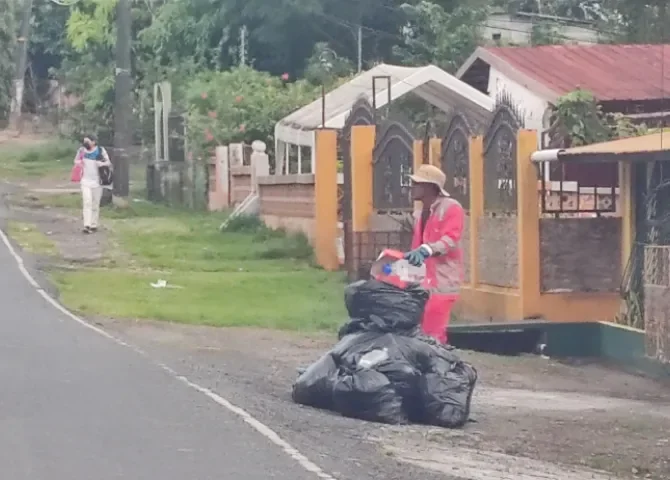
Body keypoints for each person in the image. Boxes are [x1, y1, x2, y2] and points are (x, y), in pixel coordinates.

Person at [403, 164, 464, 344]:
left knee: (433, 335)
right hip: (422, 281)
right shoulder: (421, 212)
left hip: (442, 281)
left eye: (417, 183)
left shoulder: (451, 208)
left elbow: (451, 238)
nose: (412, 187)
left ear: (430, 187)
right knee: (420, 333)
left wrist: (427, 249)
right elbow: (417, 245)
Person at [75, 134, 112, 234]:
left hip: (97, 181)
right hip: (85, 180)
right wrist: (79, 163)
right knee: (87, 201)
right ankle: (86, 224)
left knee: (95, 203)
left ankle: (94, 224)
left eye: (87, 141)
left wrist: (102, 163)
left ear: (93, 142)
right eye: (84, 141)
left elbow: (108, 162)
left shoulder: (100, 150)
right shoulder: (81, 151)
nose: (85, 143)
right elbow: (76, 160)